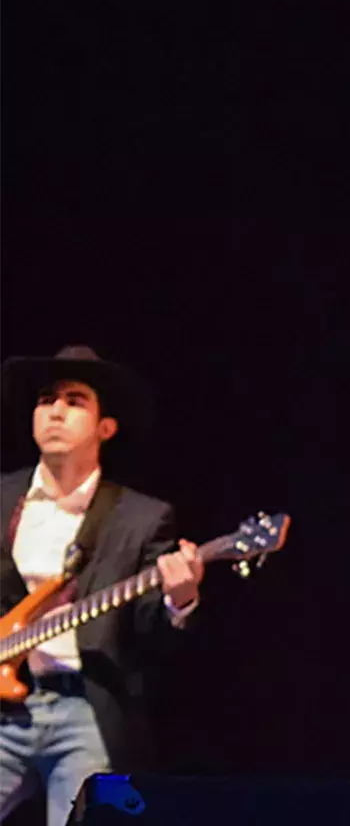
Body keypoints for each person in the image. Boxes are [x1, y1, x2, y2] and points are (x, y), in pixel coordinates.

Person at [0, 346, 205, 826]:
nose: (55, 410)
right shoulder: (2, 498)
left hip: (85, 710)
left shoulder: (140, 517)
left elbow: (152, 633)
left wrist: (180, 599)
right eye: (46, 399)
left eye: (75, 401)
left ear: (105, 428)